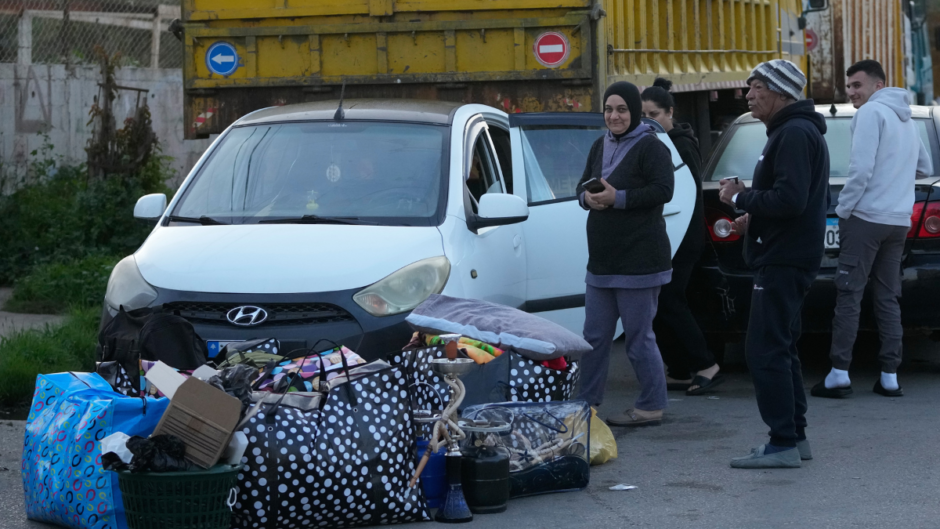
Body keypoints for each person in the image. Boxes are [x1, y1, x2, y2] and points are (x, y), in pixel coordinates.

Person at [718, 60, 830, 468]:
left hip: (784, 259)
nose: (748, 94)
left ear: (781, 92)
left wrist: (739, 198)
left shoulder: (794, 133)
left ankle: (782, 444)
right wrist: (755, 218)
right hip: (785, 253)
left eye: (757, 87)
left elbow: (791, 200)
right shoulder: (791, 131)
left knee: (764, 350)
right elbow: (798, 201)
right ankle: (795, 438)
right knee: (781, 346)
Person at [811, 60, 933, 399]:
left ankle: (839, 374)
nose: (851, 92)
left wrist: (844, 209)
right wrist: (894, 179)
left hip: (865, 218)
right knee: (888, 296)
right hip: (898, 220)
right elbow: (924, 168)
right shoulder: (906, 118)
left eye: (857, 85)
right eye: (849, 86)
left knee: (849, 293)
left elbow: (861, 169)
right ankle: (890, 376)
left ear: (878, 86)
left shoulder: (870, 113)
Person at [576, 81, 675, 427]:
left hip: (640, 260)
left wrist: (617, 198)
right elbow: (582, 186)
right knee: (594, 337)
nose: (614, 116)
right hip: (602, 260)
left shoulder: (651, 146)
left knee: (638, 338)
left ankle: (652, 405)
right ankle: (585, 404)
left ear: (633, 111)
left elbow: (663, 190)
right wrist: (587, 198)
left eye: (621, 109)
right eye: (608, 109)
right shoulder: (599, 144)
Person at [641, 78, 721, 396]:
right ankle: (677, 369)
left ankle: (706, 364)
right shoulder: (656, 142)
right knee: (658, 303)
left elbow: (685, 197)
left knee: (669, 300)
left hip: (683, 236)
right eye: (643, 116)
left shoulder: (680, 145)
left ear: (670, 113)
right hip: (664, 235)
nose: (648, 121)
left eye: (654, 115)